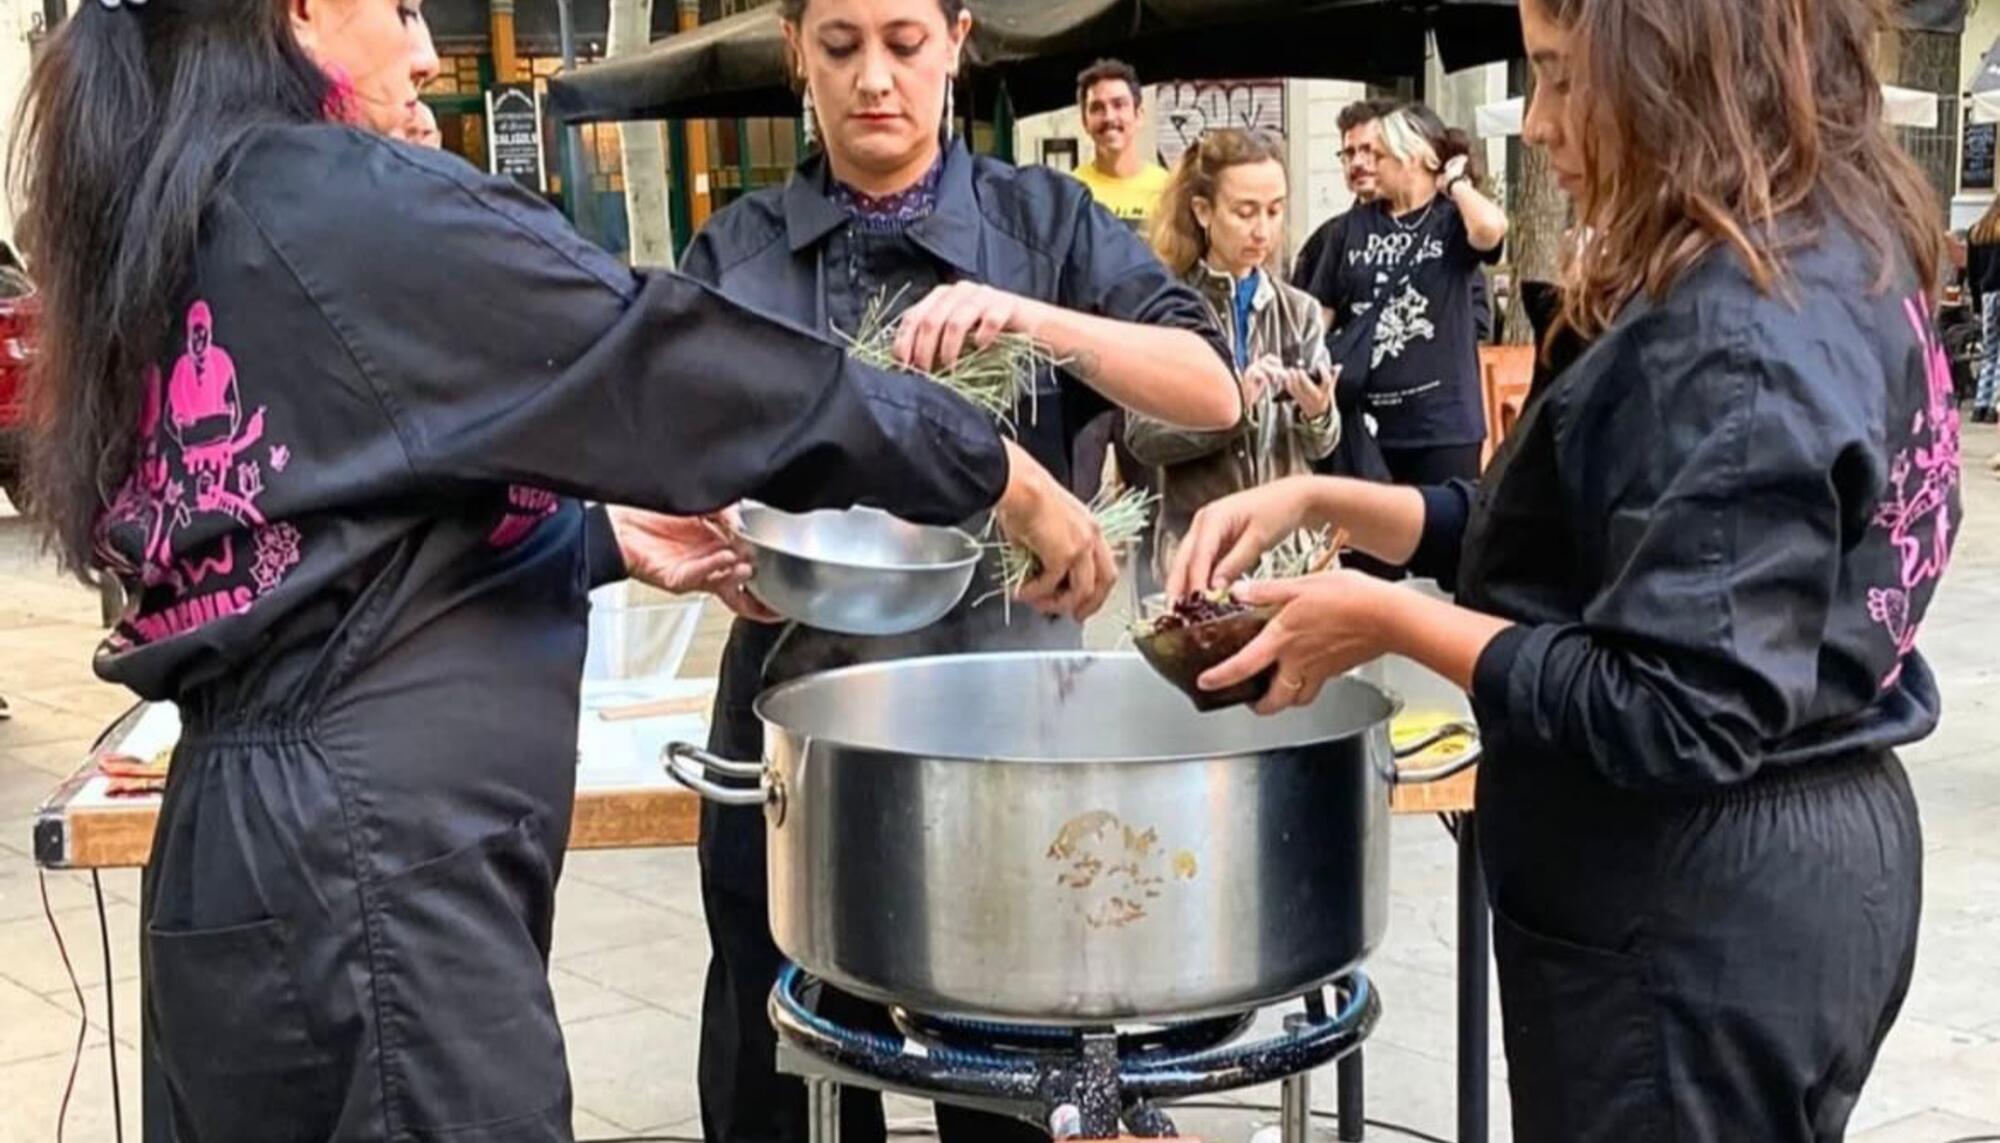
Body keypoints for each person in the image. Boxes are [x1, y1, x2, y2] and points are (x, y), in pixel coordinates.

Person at [10, 0, 1109, 1137]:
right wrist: (988, 465)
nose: (431, 51)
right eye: (399, 8)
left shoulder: (188, 204)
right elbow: (674, 358)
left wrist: (597, 536)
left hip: (241, 878)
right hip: (377, 898)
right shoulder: (343, 201)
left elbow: (325, 531)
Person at [1170, 0, 1956, 1137]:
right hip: (1783, 877)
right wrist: (1328, 497)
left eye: (1561, 77)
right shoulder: (1822, 243)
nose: (1535, 125)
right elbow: (1580, 545)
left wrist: (1381, 622)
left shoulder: (1728, 332)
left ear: (1678, 70)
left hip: (1687, 915)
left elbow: (1673, 709)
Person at [668, 4, 1240, 1143]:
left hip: (1008, 732)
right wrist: (709, 535)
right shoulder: (733, 255)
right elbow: (666, 455)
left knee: (1014, 1084)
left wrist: (1027, 314)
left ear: (957, 38)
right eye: (837, 48)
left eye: (902, 42)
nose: (872, 79)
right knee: (777, 1072)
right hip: (792, 731)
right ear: (794, 52)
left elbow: (1208, 388)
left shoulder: (1043, 223)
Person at [1124, 128, 1338, 591]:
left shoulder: (1299, 310)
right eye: (1245, 212)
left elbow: (1322, 447)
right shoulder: (1168, 310)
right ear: (1202, 211)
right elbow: (1141, 437)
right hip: (1199, 554)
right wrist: (1229, 407)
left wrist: (1319, 411)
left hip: (1290, 558)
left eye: (1275, 210)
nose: (1263, 229)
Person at [1303, 103, 1506, 487]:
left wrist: (1456, 183)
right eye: (1356, 154)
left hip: (1443, 428)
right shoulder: (1350, 228)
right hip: (1369, 427)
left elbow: (1491, 229)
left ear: (1413, 157)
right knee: (1369, 544)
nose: (1368, 165)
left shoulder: (1450, 220)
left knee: (1443, 538)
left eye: (1379, 155)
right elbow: (1319, 315)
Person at [1069, 58, 1171, 229]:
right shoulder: (1072, 190)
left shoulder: (1167, 190)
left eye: (1119, 105)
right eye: (1097, 107)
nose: (1109, 117)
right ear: (1084, 122)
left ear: (1138, 115)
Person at [1966, 199, 2000, 423]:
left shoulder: (1977, 232)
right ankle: (1995, 406)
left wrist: (1977, 304)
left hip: (1987, 295)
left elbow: (1972, 272)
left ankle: (1980, 404)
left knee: (1990, 352)